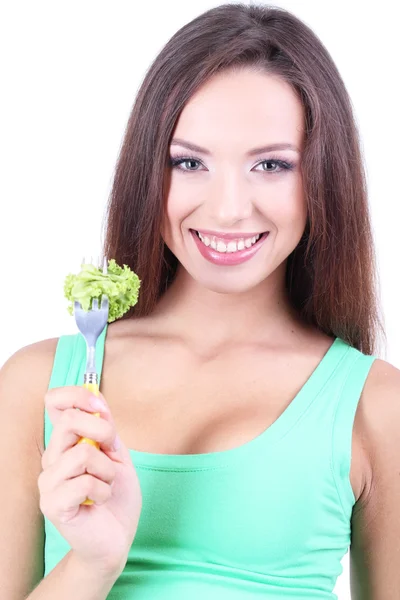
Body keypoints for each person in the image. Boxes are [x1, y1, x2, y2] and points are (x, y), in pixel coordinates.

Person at [1, 3, 399, 599]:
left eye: (271, 165)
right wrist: (93, 563)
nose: (228, 207)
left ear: (324, 178)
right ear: (148, 172)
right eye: (189, 162)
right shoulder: (40, 385)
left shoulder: (376, 407)